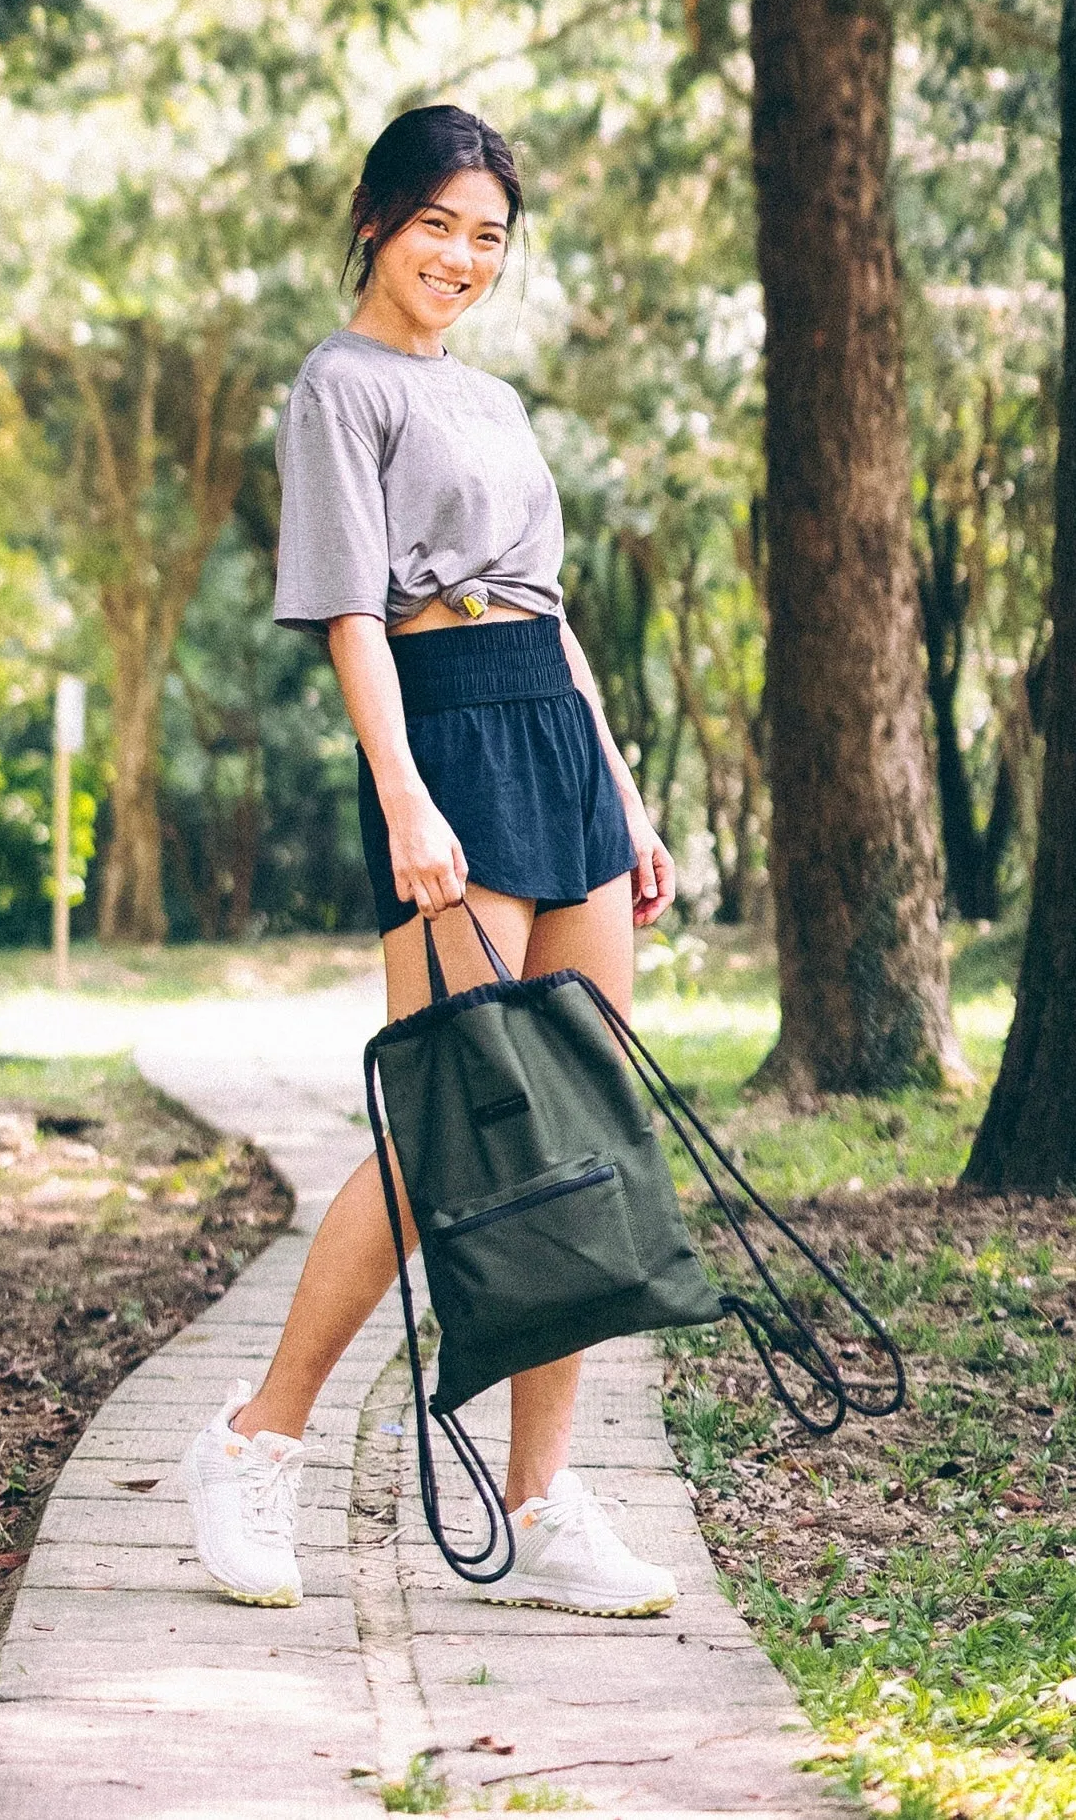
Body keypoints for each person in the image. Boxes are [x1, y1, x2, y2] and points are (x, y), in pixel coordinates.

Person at [179, 103, 681, 1618]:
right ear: (377, 219)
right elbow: (348, 608)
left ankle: (539, 1505)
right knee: (443, 1133)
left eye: (487, 236)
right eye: (436, 226)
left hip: (552, 732)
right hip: (446, 730)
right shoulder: (338, 386)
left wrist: (628, 794)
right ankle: (257, 1440)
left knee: (578, 1125)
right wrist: (403, 794)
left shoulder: (495, 397)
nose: (460, 257)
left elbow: (549, 607)